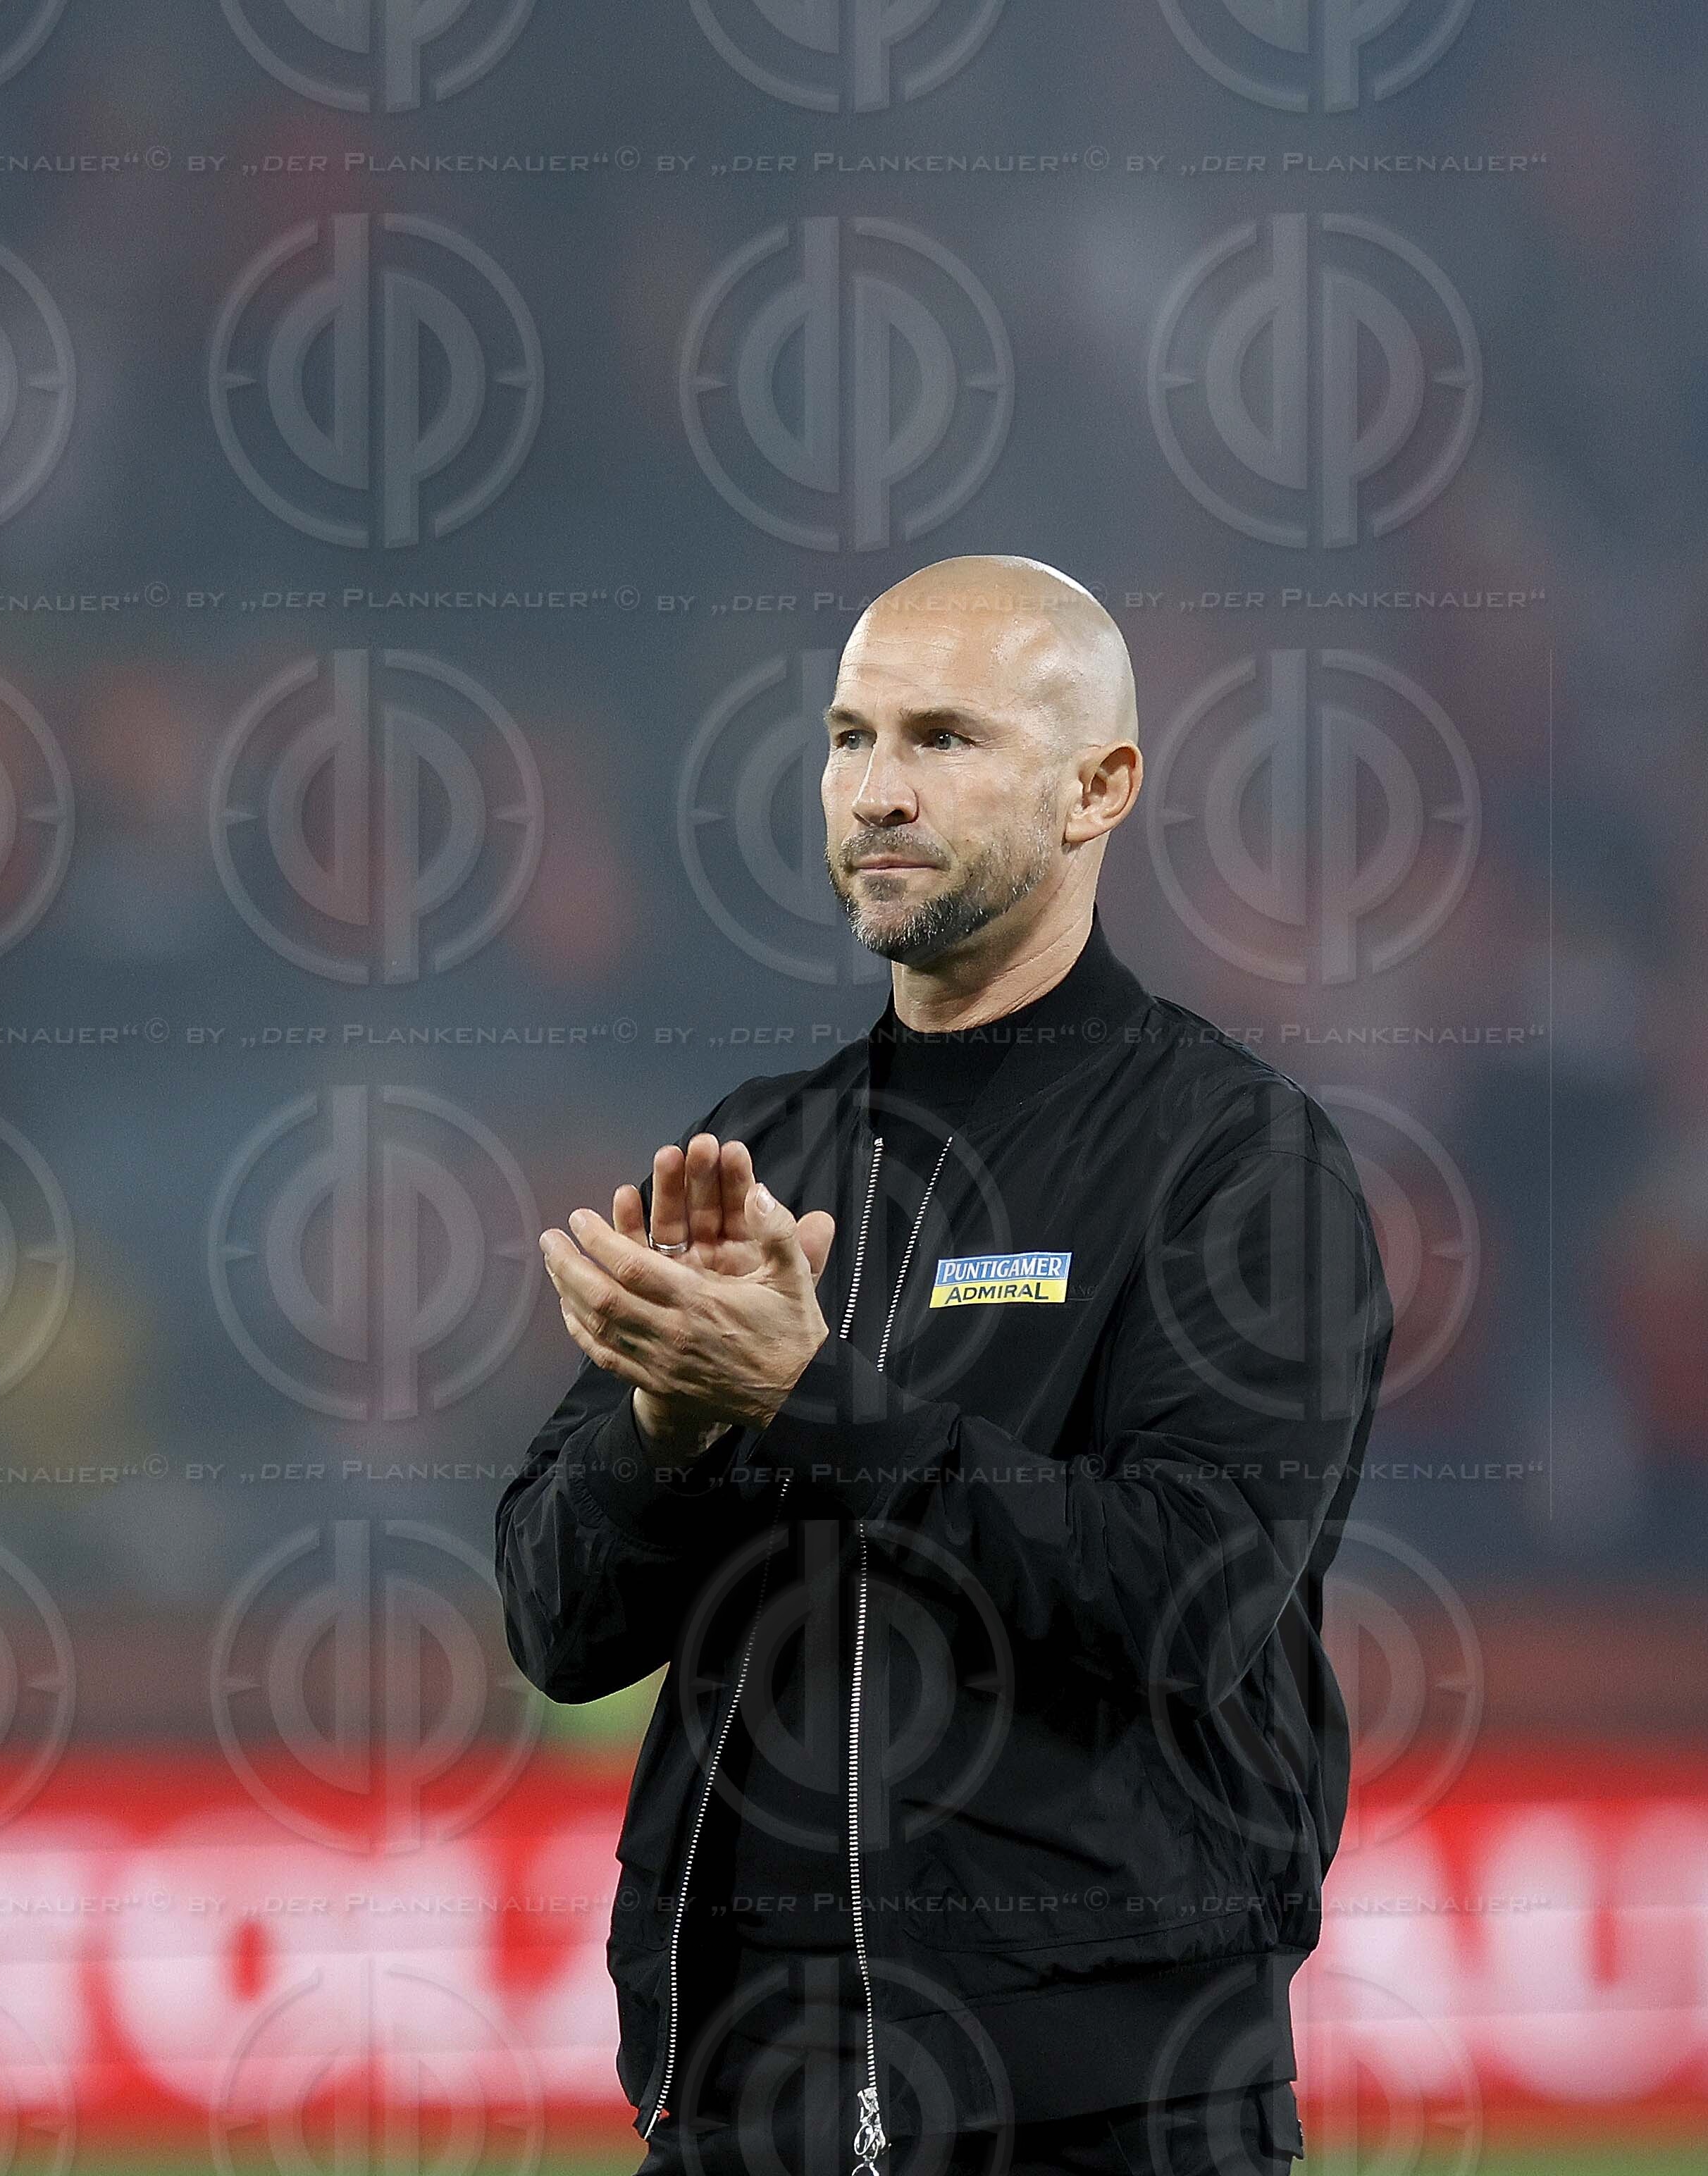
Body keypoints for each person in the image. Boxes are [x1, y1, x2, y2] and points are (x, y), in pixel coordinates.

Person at [497, 557, 1390, 2175]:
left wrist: (803, 1393)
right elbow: (558, 1626)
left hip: (1106, 2111)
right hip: (739, 2100)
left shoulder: (1235, 1161)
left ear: (1097, 786)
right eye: (849, 738)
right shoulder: (764, 1145)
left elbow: (1184, 1593)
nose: (879, 791)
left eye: (946, 739)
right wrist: (665, 1419)